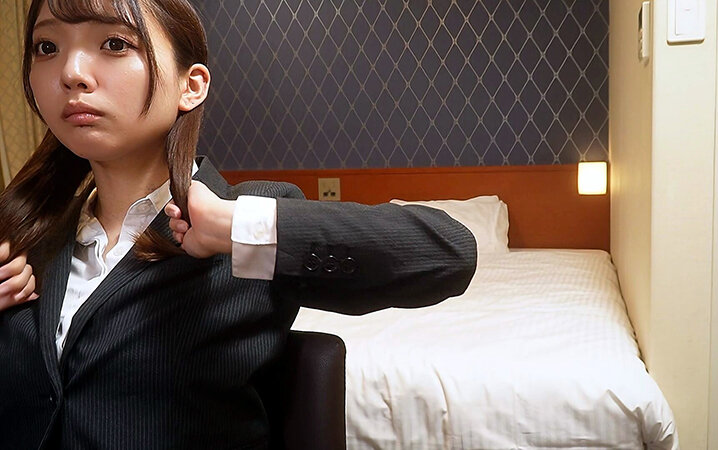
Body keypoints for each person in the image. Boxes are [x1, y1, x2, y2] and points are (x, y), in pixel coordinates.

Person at [0, 0, 477, 449]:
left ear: (191, 86)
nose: (71, 72)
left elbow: (447, 255)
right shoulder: (26, 236)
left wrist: (239, 228)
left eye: (115, 44)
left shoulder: (243, 220)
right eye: (47, 47)